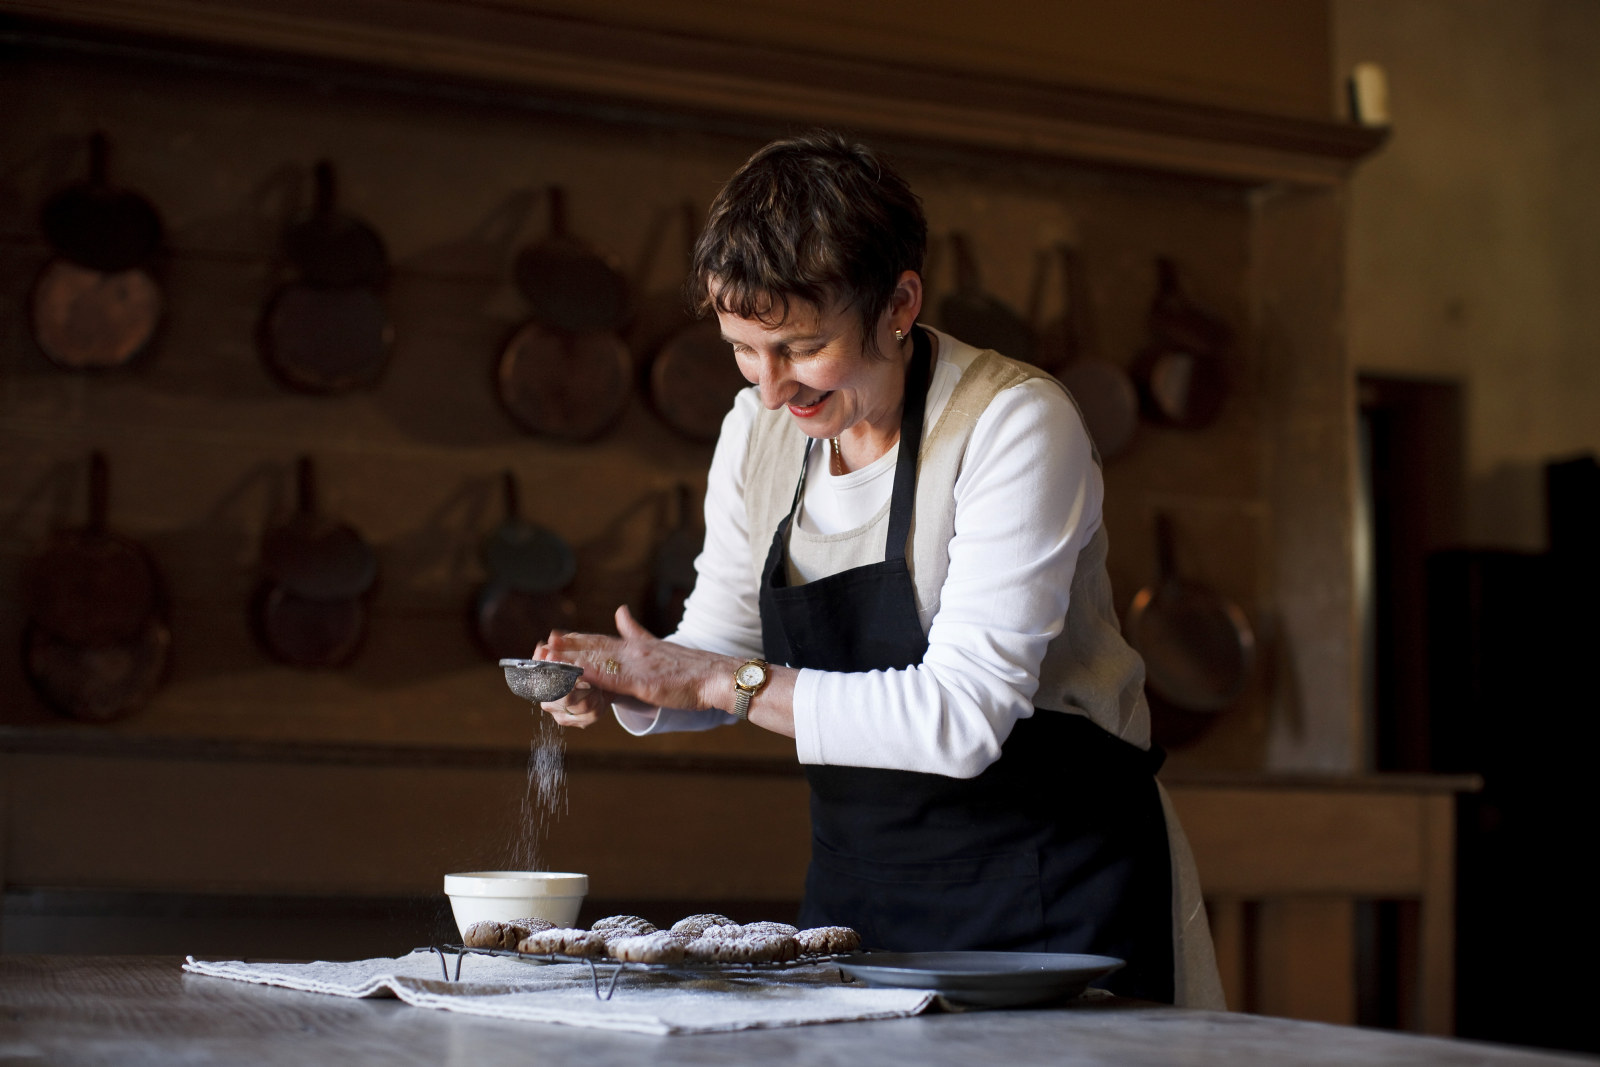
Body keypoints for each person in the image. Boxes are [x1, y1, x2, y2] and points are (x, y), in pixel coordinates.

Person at [536, 131, 1222, 1008]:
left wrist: (716, 682)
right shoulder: (756, 431)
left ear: (900, 301)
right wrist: (633, 678)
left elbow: (963, 716)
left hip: (1053, 893)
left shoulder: (1012, 423)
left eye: (802, 347)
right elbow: (722, 645)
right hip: (863, 898)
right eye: (746, 348)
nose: (772, 387)